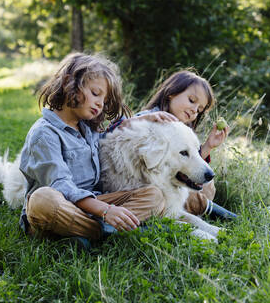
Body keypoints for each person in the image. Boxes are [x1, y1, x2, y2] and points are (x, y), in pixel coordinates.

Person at [19, 52, 174, 248]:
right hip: (61, 207)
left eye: (104, 99)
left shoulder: (86, 129)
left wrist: (140, 120)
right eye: (95, 93)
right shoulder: (44, 134)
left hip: (92, 205)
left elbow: (107, 137)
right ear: (69, 84)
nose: (100, 103)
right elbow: (61, 185)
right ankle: (102, 231)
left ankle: (82, 235)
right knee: (43, 200)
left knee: (155, 195)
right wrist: (106, 211)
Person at [123, 69, 237, 220]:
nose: (194, 110)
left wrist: (208, 146)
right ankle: (222, 216)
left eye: (199, 109)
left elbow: (187, 164)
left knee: (205, 186)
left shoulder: (182, 130)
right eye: (191, 100)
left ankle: (215, 214)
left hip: (165, 189)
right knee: (193, 196)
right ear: (172, 93)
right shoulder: (148, 121)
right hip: (140, 189)